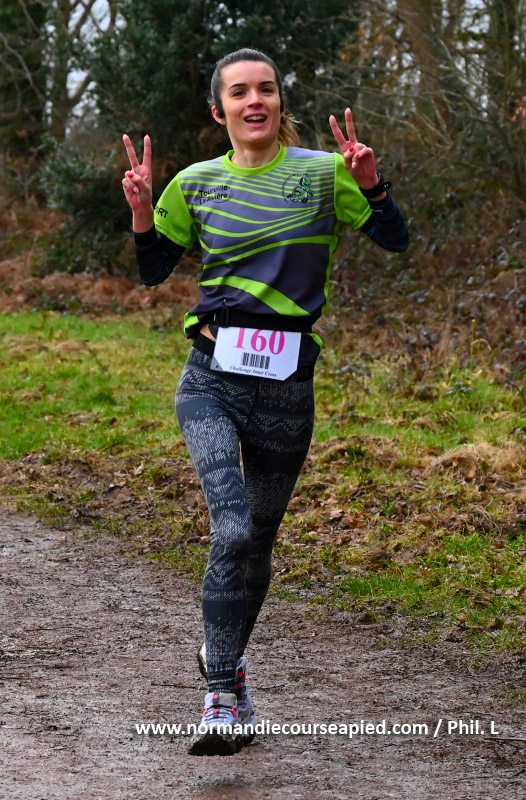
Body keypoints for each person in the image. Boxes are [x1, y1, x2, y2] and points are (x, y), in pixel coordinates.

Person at [122, 47, 408, 757]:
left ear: (280, 103)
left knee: (258, 543)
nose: (256, 101)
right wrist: (141, 214)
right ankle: (220, 696)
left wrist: (372, 188)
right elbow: (154, 271)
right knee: (232, 528)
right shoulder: (195, 183)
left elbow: (395, 240)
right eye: (240, 92)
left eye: (268, 90)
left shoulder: (324, 173)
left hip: (287, 388)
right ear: (218, 110)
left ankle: (227, 661)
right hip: (210, 379)